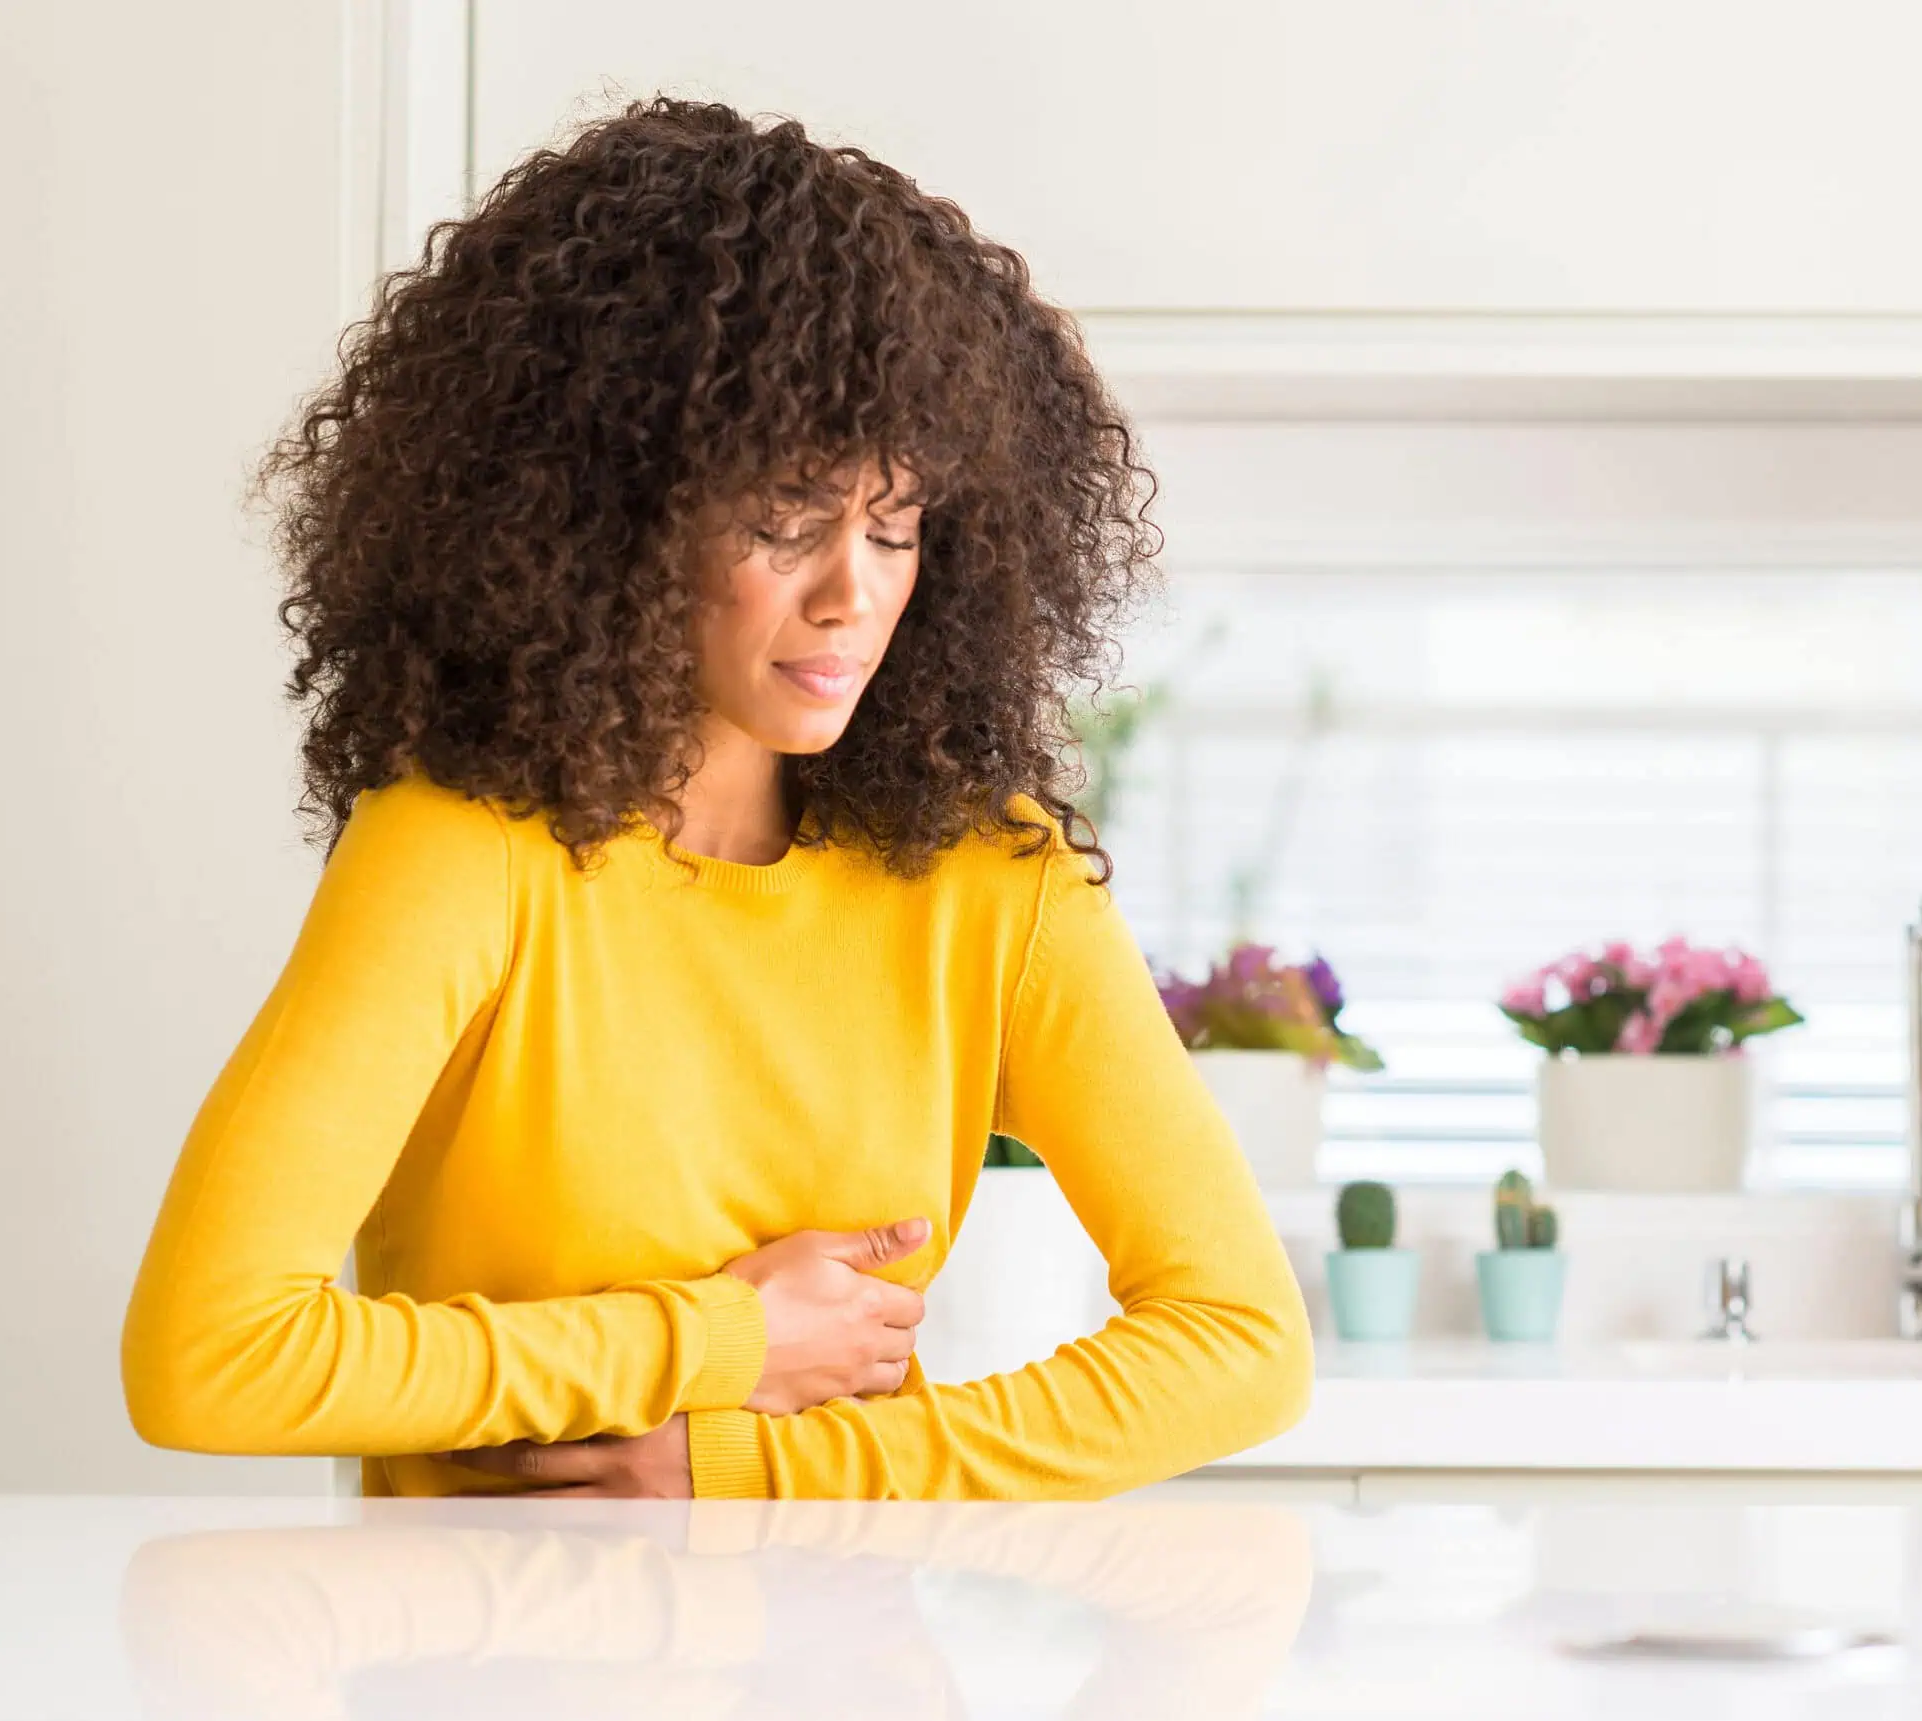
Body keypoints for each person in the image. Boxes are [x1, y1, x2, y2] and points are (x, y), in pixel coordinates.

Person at [120, 98, 1312, 1498]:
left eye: (896, 526)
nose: (851, 597)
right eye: (784, 522)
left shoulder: (994, 879)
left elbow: (1243, 1344)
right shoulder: (461, 856)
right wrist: (720, 1336)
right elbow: (209, 1355)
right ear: (613, 516)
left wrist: (752, 1465)